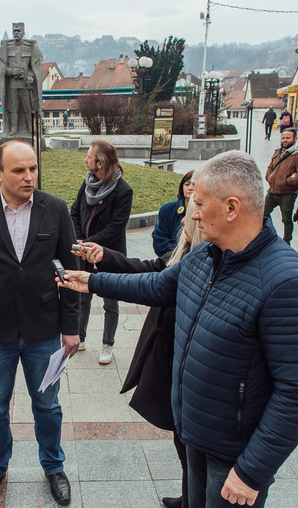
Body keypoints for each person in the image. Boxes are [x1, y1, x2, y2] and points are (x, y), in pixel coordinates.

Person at [58, 150, 298, 508]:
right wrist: (92, 282)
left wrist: (252, 471)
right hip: (194, 431)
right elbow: (155, 286)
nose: (192, 213)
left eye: (199, 203)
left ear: (232, 208)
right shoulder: (205, 255)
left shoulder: (289, 284)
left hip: (234, 455)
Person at [0, 140, 80, 507]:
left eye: (33, 169)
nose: (29, 177)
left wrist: (71, 328)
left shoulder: (55, 209)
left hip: (44, 329)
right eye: (19, 170)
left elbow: (71, 274)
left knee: (48, 405)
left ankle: (54, 466)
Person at [74, 197, 204, 508]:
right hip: (173, 356)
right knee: (184, 440)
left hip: (193, 367)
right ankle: (190, 498)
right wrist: (104, 263)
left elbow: (153, 285)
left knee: (198, 452)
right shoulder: (191, 253)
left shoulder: (213, 258)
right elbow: (152, 275)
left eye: (196, 206)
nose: (184, 219)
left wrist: (93, 281)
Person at [70, 140, 132, 363]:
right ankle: (81, 337)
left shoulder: (123, 191)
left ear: (100, 162)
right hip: (84, 252)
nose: (86, 160)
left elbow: (116, 227)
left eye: (89, 157)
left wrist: (88, 244)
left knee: (110, 302)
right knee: (83, 297)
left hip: (108, 254)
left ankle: (108, 344)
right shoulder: (87, 183)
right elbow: (75, 211)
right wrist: (79, 237)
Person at [0, 22, 43, 138]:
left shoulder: (29, 47)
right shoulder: (7, 48)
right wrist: (11, 71)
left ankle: (30, 128)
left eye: (18, 31)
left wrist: (31, 76)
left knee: (28, 108)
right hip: (12, 84)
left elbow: (34, 66)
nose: (16, 33)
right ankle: (13, 130)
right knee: (13, 108)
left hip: (25, 85)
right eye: (14, 31)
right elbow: (2, 69)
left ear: (23, 32)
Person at [263, 128, 298, 245]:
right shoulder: (278, 151)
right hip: (272, 191)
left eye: (288, 138)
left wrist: (289, 180)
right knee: (263, 213)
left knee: (286, 219)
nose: (285, 140)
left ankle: (287, 241)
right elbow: (270, 167)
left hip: (287, 193)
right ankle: (271, 236)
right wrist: (269, 177)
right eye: (283, 138)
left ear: (295, 139)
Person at [152, 170, 195, 257]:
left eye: (195, 184)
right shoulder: (167, 210)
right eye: (187, 184)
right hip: (168, 261)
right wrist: (178, 254)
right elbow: (159, 241)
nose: (190, 188)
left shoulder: (205, 211)